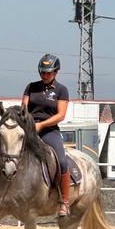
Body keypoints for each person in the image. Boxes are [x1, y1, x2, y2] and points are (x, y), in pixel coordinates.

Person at [22, 54, 70, 217]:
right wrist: (27, 125)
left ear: (56, 72)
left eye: (48, 72)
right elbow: (24, 109)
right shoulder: (31, 87)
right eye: (42, 72)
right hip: (29, 128)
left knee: (62, 161)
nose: (45, 75)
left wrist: (41, 125)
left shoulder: (61, 90)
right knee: (8, 152)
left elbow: (61, 115)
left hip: (49, 130)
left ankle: (64, 201)